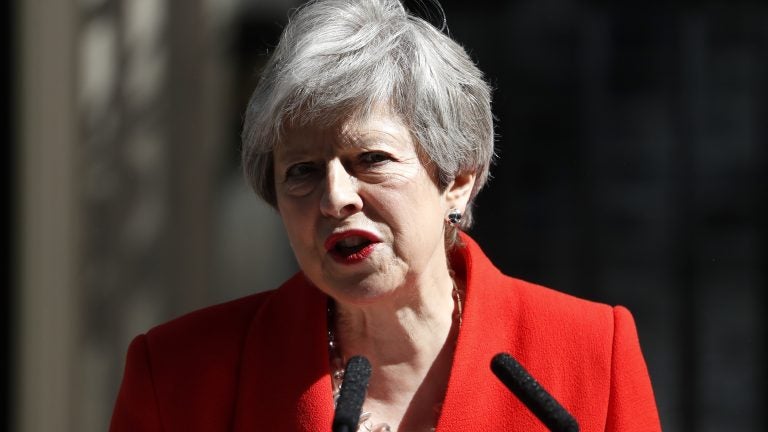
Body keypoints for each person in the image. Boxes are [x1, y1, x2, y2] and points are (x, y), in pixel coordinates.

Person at [110, 0, 661, 431]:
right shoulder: (180, 372)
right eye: (301, 171)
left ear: (458, 179)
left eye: (370, 160)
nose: (335, 198)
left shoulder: (591, 352)